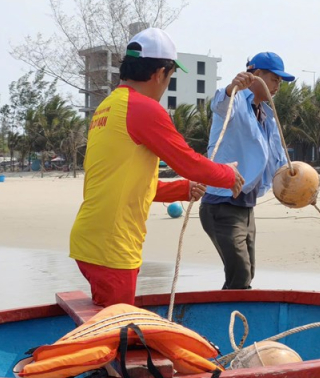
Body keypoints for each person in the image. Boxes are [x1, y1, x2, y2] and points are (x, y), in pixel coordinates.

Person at [69, 28, 244, 307]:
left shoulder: (107, 107)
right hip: (113, 246)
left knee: (109, 319)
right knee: (117, 327)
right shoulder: (143, 109)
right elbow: (188, 162)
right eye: (171, 76)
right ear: (160, 73)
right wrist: (228, 175)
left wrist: (183, 189)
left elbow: (128, 184)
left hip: (91, 239)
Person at [199, 52, 293, 290]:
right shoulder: (236, 100)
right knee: (240, 274)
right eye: (274, 79)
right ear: (257, 75)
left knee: (246, 272)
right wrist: (233, 87)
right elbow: (219, 103)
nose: (277, 86)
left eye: (280, 82)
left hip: (245, 205)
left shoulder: (267, 117)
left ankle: (230, 309)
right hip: (221, 205)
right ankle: (230, 311)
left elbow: (279, 160)